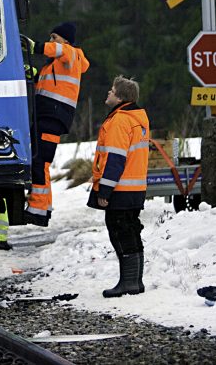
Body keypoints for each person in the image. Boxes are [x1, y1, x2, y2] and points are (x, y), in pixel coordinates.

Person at [23, 22, 90, 226]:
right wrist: (32, 74)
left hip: (53, 116)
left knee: (39, 162)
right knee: (39, 161)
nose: (51, 41)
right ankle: (43, 208)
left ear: (66, 40)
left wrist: (35, 47)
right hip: (49, 116)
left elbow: (59, 49)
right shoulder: (54, 65)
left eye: (54, 37)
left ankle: (38, 209)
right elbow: (46, 82)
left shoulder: (71, 54)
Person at [88, 75, 149, 297]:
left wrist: (105, 190)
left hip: (120, 190)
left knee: (120, 233)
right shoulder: (139, 118)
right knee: (131, 232)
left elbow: (114, 159)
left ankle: (129, 283)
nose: (108, 93)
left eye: (112, 91)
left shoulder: (120, 121)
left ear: (121, 97)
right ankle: (135, 282)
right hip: (135, 189)